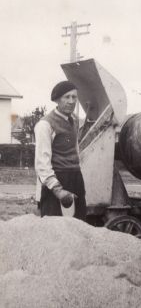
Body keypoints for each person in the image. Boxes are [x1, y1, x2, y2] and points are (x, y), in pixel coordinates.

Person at [34, 81, 87, 221]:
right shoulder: (45, 125)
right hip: (57, 183)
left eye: (74, 97)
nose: (71, 101)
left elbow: (75, 151)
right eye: (67, 97)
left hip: (76, 179)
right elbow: (42, 164)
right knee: (54, 231)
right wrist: (58, 190)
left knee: (79, 227)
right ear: (57, 99)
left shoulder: (74, 121)